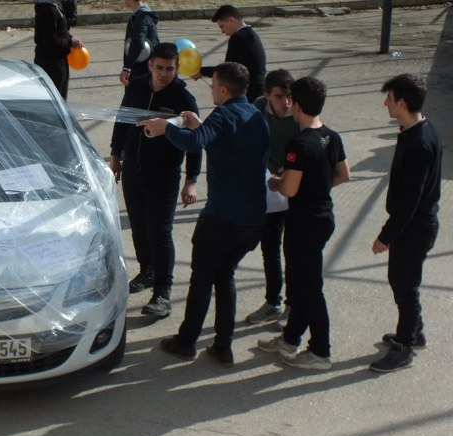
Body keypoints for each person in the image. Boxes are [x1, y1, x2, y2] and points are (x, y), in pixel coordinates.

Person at [141, 62, 269, 367]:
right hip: (253, 219)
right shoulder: (256, 115)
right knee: (225, 276)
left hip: (222, 218)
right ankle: (223, 345)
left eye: (213, 86)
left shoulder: (223, 114)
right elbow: (221, 140)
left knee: (202, 279)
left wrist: (165, 128)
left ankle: (186, 341)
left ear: (223, 90)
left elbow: (195, 142)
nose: (210, 89)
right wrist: (199, 124)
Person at [257, 76, 351, 371]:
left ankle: (320, 351)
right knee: (299, 281)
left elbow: (288, 191)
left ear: (297, 105)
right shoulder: (331, 136)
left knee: (309, 288)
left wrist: (276, 182)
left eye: (290, 100)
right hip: (322, 216)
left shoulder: (298, 144)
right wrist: (317, 187)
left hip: (304, 223)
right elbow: (343, 174)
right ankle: (290, 338)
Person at [109, 43, 202, 318]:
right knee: (138, 226)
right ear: (150, 65)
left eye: (169, 69)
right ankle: (147, 271)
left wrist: (191, 180)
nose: (163, 74)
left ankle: (163, 291)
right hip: (134, 170)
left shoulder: (183, 99)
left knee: (159, 232)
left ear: (176, 68)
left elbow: (195, 141)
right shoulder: (136, 87)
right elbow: (122, 121)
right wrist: (116, 156)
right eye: (159, 67)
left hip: (164, 175)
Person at [368, 74, 441, 373]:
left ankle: (405, 346)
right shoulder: (416, 130)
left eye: (390, 98)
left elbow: (411, 199)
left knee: (404, 284)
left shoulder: (420, 143)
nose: (385, 102)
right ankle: (415, 330)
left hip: (415, 227)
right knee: (402, 281)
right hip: (415, 224)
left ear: (402, 102)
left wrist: (386, 236)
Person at [245, 69, 300, 326]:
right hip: (270, 187)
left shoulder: (300, 113)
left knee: (294, 249)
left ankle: (293, 304)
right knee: (270, 247)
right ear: (267, 95)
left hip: (296, 185)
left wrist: (290, 171)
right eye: (279, 96)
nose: (285, 102)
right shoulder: (257, 108)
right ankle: (273, 301)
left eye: (288, 96)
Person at [194, 5, 266, 102]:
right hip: (258, 94)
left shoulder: (238, 38)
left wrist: (201, 71)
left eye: (222, 26)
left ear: (231, 20)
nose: (222, 31)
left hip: (249, 96)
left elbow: (227, 71)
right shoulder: (250, 34)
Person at [34, 0, 84, 100]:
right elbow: (50, 41)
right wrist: (70, 42)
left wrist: (69, 37)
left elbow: (59, 31)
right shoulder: (48, 10)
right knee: (55, 101)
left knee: (60, 99)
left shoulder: (54, 6)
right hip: (52, 64)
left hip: (57, 61)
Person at [119, 0, 159, 86]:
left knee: (135, 98)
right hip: (143, 68)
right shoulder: (140, 15)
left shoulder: (142, 17)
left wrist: (127, 68)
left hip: (142, 71)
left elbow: (138, 43)